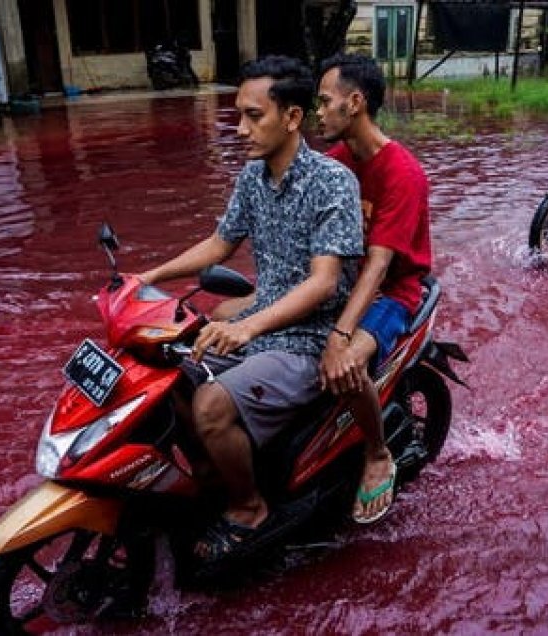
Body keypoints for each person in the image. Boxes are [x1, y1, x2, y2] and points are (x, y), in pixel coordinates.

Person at [139, 55, 363, 560]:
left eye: (253, 116)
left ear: (292, 117)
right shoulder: (252, 177)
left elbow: (324, 283)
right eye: (238, 115)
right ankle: (218, 475)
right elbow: (220, 244)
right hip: (259, 322)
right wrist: (147, 277)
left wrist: (248, 326)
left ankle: (249, 508)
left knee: (211, 406)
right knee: (168, 377)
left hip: (310, 337)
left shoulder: (332, 182)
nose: (240, 129)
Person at [316, 53, 431, 523]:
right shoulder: (336, 162)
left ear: (355, 103)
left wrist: (341, 335)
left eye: (325, 102)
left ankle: (377, 451)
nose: (318, 112)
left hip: (392, 293)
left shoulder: (403, 173)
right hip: (344, 282)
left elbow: (380, 265)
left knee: (345, 366)